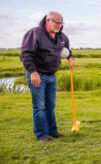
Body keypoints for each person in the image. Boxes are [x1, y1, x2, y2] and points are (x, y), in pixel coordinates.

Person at [20, 11, 74, 142]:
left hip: (52, 76)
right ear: (47, 20)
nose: (59, 25)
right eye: (56, 22)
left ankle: (53, 132)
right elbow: (26, 55)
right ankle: (41, 135)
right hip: (37, 75)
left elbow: (66, 50)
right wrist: (33, 72)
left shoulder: (62, 37)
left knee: (50, 106)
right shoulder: (35, 33)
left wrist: (71, 57)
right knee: (39, 106)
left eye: (61, 23)